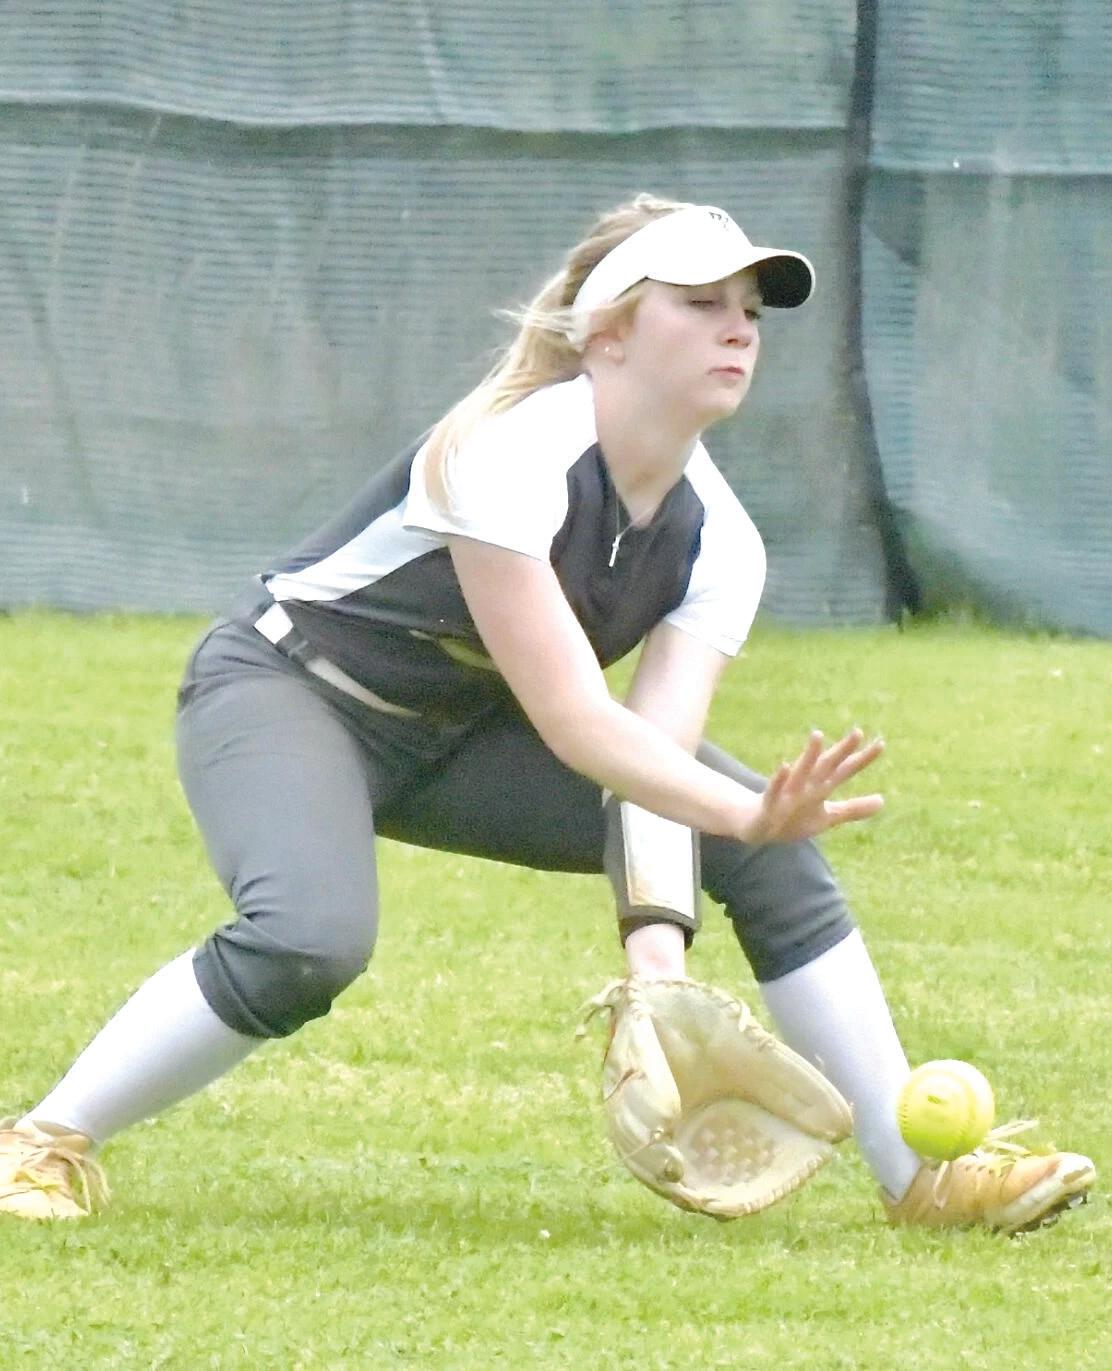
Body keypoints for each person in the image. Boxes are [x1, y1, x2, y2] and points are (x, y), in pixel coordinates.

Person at [1, 195, 1094, 1230]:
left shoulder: (721, 541)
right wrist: (739, 810)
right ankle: (40, 1141)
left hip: (459, 734)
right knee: (307, 941)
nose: (738, 330)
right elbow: (578, 724)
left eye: (750, 312)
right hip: (291, 691)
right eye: (699, 303)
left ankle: (925, 1178)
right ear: (606, 335)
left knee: (764, 850)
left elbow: (647, 761)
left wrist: (658, 968)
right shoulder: (509, 450)